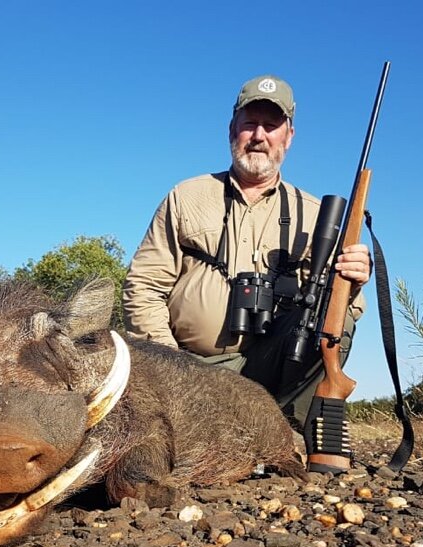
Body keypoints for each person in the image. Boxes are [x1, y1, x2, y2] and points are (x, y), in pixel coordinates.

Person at [123, 74, 372, 459]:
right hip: (191, 368)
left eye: (271, 126)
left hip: (271, 367)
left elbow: (343, 311)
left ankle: (289, 433)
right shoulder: (186, 196)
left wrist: (351, 282)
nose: (259, 135)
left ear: (288, 136)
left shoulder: (314, 213)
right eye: (249, 123)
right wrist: (170, 367)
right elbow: (143, 286)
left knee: (336, 322)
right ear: (232, 129)